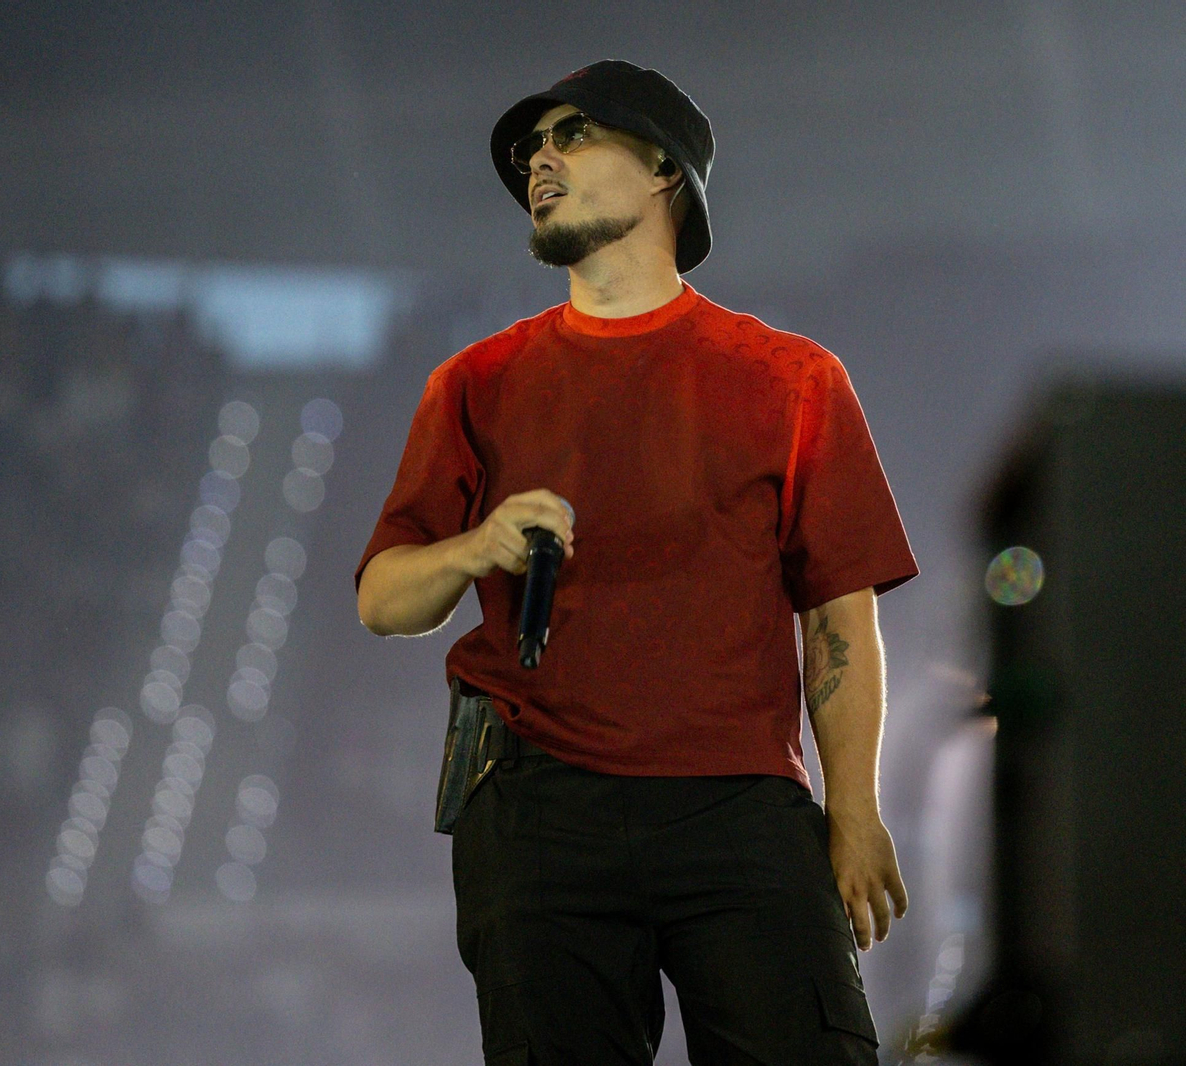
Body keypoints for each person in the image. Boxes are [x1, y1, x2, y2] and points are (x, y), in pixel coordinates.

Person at [353, 60, 919, 1065]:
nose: (539, 159)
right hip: (536, 807)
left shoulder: (791, 379)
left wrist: (856, 810)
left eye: (571, 134)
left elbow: (838, 614)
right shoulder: (474, 382)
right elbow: (382, 600)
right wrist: (476, 545)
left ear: (663, 168)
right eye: (530, 149)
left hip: (741, 803)